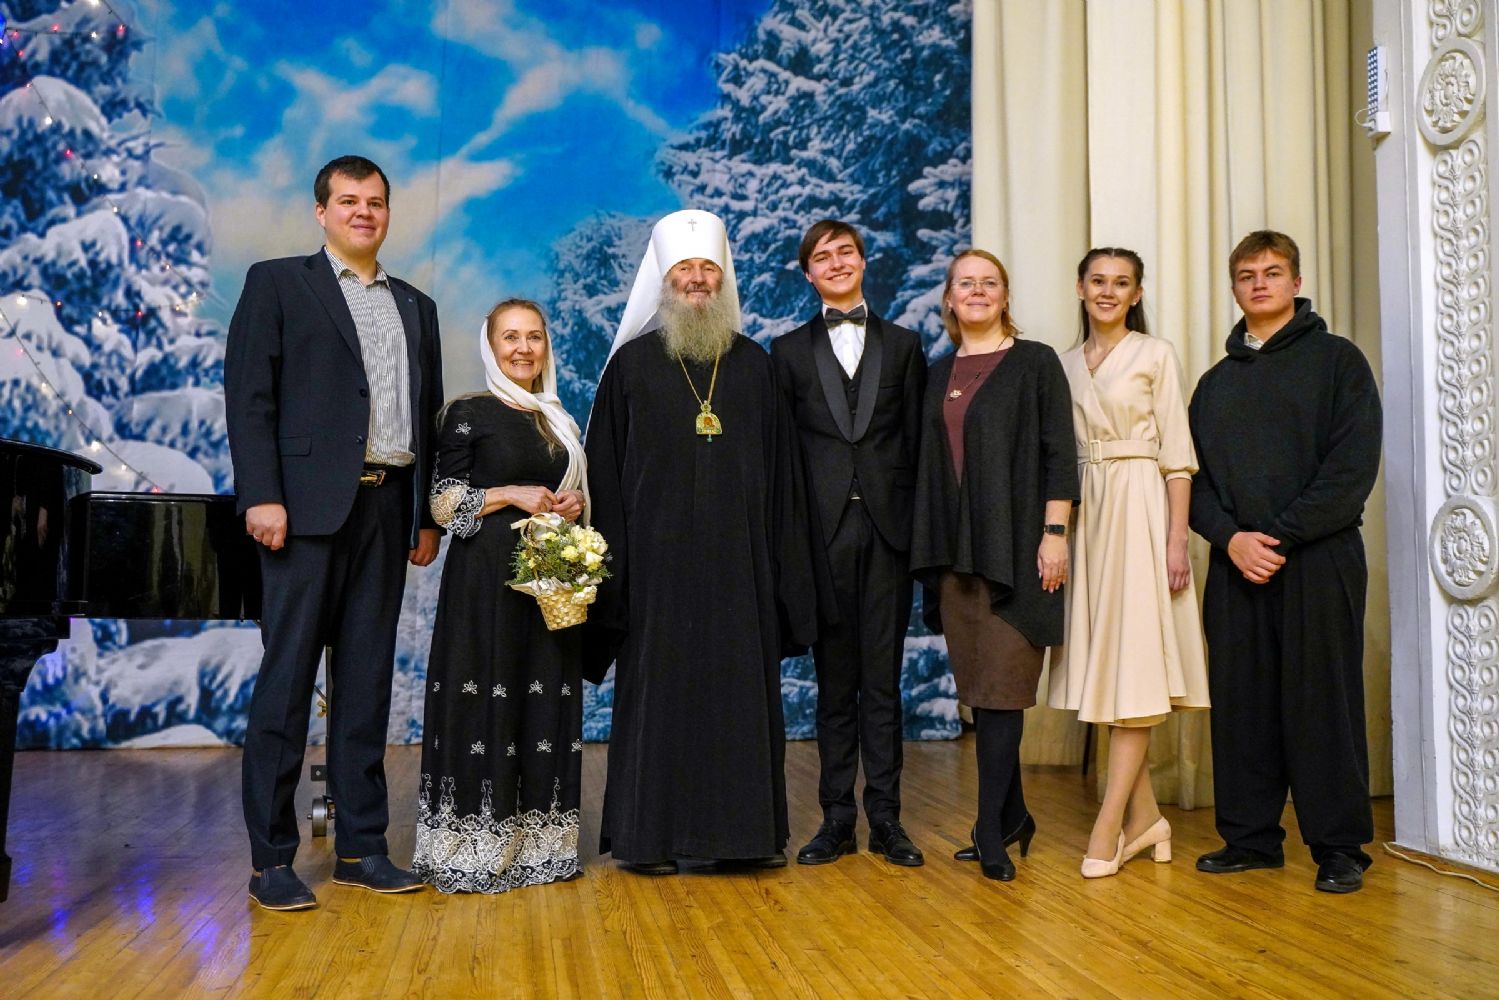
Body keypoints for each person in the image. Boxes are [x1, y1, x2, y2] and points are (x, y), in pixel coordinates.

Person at [226, 155, 444, 910]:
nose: (363, 212)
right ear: (321, 211)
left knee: (365, 687)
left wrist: (423, 514)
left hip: (387, 511)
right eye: (348, 201)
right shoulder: (277, 284)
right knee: (286, 686)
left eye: (375, 201)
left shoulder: (417, 306)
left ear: (388, 213)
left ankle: (361, 848)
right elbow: (250, 397)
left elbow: (427, 416)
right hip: (301, 513)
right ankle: (271, 861)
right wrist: (262, 495)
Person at [584, 208, 818, 875]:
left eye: (707, 269)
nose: (696, 279)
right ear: (664, 280)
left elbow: (783, 480)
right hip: (654, 572)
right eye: (684, 269)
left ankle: (742, 838)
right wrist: (612, 575)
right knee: (656, 699)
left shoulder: (755, 366)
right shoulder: (630, 367)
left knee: (737, 700)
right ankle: (647, 839)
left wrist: (784, 577)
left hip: (741, 570)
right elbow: (604, 475)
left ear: (722, 281)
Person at [1188, 230, 1383, 894]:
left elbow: (1350, 471)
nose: (1259, 284)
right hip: (1236, 564)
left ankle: (1339, 847)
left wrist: (1275, 538)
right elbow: (1193, 482)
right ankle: (1249, 840)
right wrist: (1232, 540)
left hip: (1320, 561)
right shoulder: (1214, 385)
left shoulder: (1338, 363)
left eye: (1272, 272)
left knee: (1322, 702)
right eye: (1247, 275)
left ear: (1296, 283)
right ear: (1234, 288)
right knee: (1242, 704)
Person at [910, 249, 1077, 881]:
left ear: (1005, 296)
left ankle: (987, 830)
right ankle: (1013, 817)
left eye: (990, 283)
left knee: (1005, 689)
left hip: (1017, 550)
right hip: (956, 556)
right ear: (950, 299)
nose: (977, 291)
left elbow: (1060, 452)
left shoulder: (1035, 363)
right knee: (982, 690)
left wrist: (1055, 533)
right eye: (966, 284)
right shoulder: (937, 373)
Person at [411, 300, 589, 892]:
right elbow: (442, 503)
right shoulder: (468, 412)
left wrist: (573, 502)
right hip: (485, 582)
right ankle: (475, 847)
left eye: (534, 337)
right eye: (510, 337)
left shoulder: (558, 419)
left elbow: (570, 492)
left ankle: (540, 847)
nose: (523, 348)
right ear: (490, 347)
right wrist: (510, 492)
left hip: (547, 582)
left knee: (543, 700)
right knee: (483, 698)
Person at [1047, 248, 1210, 877]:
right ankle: (1149, 822)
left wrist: (1175, 540)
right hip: (1085, 515)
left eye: (1121, 283)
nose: (1108, 292)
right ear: (1080, 287)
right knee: (1105, 670)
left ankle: (1108, 823)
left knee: (1135, 670)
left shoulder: (1155, 354)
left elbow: (1178, 458)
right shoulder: (1062, 364)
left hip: (1140, 509)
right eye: (1098, 281)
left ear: (1137, 294)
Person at [770, 220, 927, 867]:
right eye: (822, 256)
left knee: (883, 685)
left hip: (889, 536)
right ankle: (836, 819)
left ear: (863, 261)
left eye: (845, 252)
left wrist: (921, 538)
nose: (835, 263)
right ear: (807, 274)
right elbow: (782, 458)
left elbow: (917, 446)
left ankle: (886, 818)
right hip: (821, 538)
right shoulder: (785, 352)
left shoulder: (905, 345)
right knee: (834, 686)